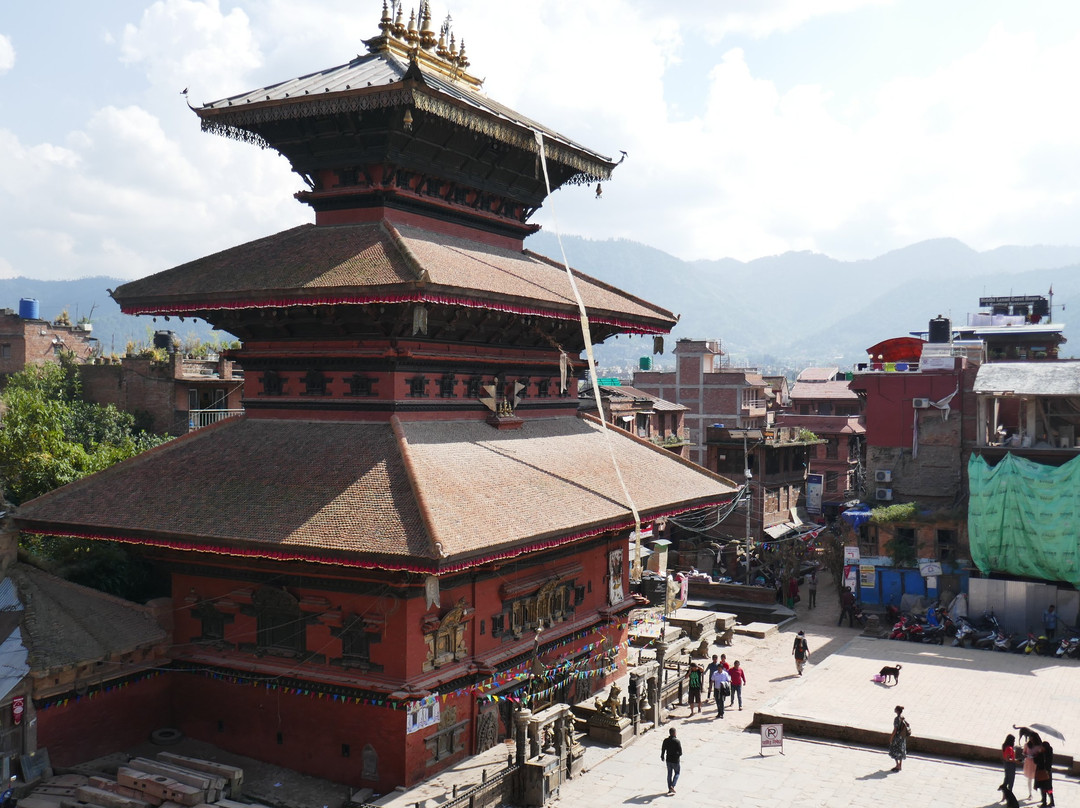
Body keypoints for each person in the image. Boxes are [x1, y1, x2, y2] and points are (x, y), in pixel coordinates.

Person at [660, 727, 682, 795]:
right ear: (674, 733)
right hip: (675, 761)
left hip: (668, 760)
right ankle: (672, 785)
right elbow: (680, 752)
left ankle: (669, 788)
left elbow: (663, 749)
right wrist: (677, 755)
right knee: (677, 773)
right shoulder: (677, 741)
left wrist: (662, 756)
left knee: (669, 774)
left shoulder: (665, 741)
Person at [888, 705, 909, 772]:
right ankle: (900, 765)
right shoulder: (902, 717)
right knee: (901, 751)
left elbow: (895, 729)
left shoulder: (897, 719)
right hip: (902, 737)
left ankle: (897, 765)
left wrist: (891, 737)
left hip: (897, 737)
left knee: (895, 750)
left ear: (897, 711)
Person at [1035, 740, 1054, 807]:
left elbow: (1038, 762)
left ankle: (1049, 801)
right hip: (1044, 773)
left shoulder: (1046, 754)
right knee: (1045, 788)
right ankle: (1047, 801)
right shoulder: (1044, 753)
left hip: (1044, 773)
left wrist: (1039, 754)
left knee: (1046, 788)